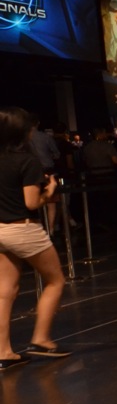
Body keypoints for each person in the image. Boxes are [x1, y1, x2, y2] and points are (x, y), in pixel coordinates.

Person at [0, 107, 71, 369]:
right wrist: (49, 191)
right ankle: (41, 339)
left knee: (5, 291)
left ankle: (3, 352)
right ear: (23, 131)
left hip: (0, 230)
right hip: (23, 229)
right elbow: (31, 203)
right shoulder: (27, 161)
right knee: (55, 280)